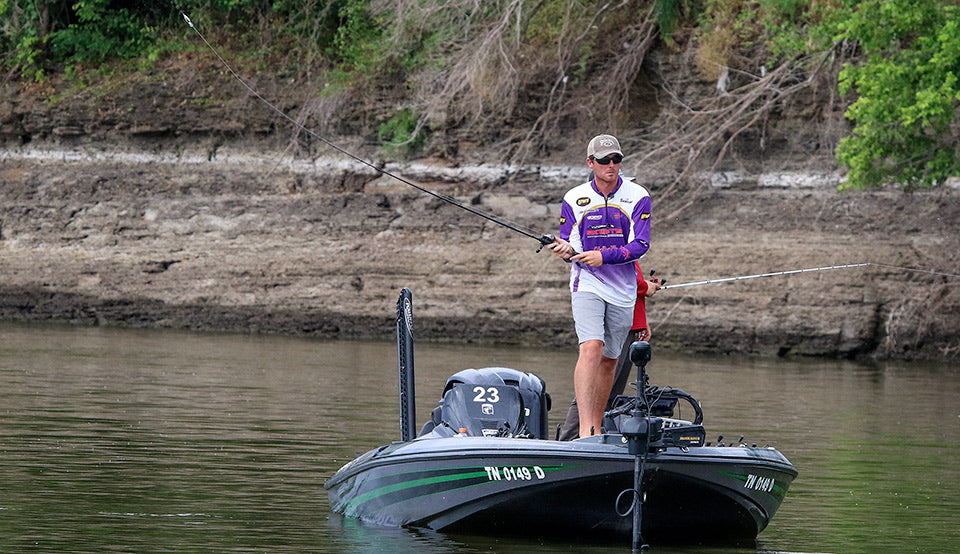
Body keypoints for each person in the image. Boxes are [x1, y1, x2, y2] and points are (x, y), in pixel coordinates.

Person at [549, 134, 652, 438]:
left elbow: (640, 245)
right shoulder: (573, 198)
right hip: (587, 284)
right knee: (591, 347)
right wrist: (566, 251)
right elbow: (571, 245)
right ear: (590, 163)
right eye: (605, 160)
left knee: (610, 360)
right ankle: (585, 431)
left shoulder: (638, 195)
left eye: (616, 160)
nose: (611, 165)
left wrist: (603, 256)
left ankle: (595, 426)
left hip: (623, 290)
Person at [557, 263, 660, 441]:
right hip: (611, 326)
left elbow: (628, 280)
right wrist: (645, 287)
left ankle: (596, 437)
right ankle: (570, 440)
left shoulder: (632, 246)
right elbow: (616, 276)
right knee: (595, 387)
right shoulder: (614, 242)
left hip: (628, 323)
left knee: (612, 393)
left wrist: (642, 320)